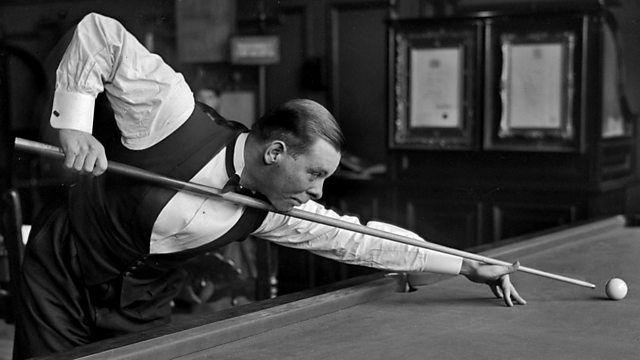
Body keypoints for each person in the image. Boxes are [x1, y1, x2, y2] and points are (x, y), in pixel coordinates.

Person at [14, 13, 525, 359]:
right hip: (62, 272)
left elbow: (355, 237)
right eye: (315, 174)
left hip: (141, 305)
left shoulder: (273, 208)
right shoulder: (172, 111)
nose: (319, 192)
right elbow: (100, 33)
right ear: (276, 152)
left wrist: (461, 263)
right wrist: (75, 125)